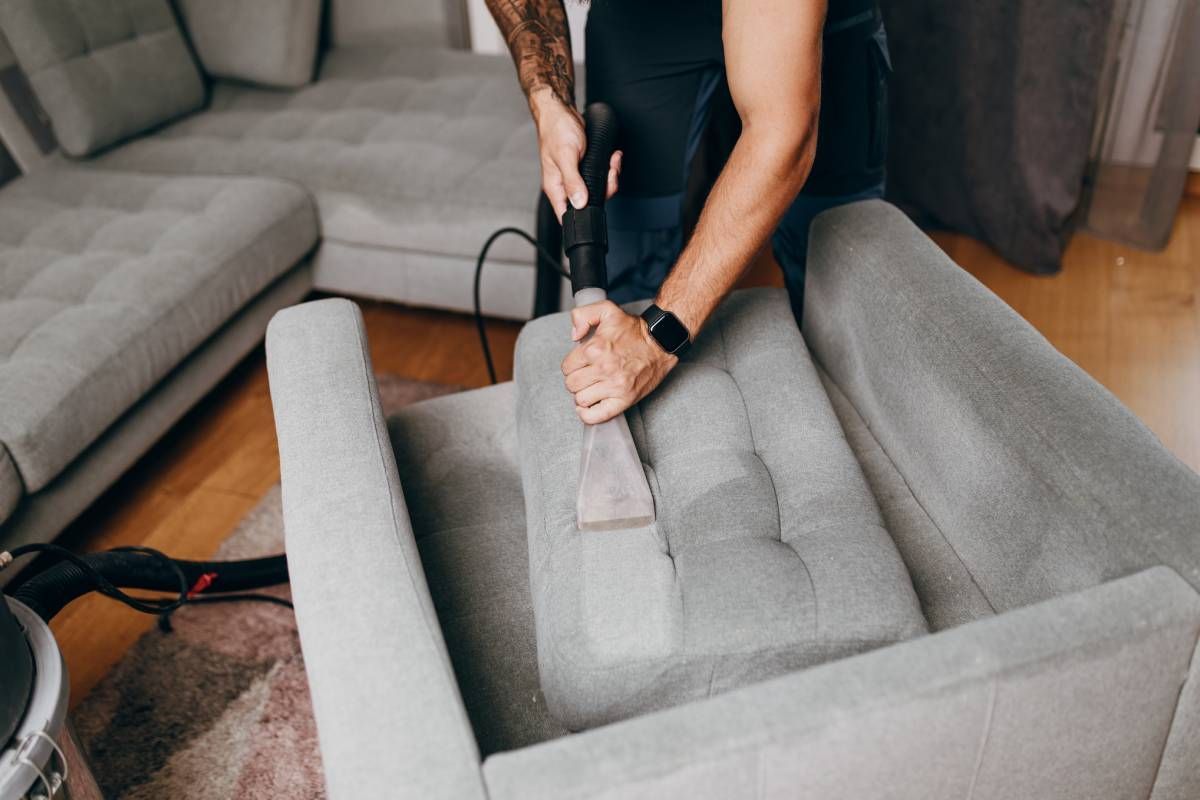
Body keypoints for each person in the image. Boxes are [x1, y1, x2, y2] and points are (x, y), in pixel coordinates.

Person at [487, 0, 890, 425]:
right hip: (647, 25)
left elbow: (781, 135)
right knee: (624, 261)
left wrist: (656, 337)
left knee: (834, 262)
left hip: (811, 22)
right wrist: (548, 101)